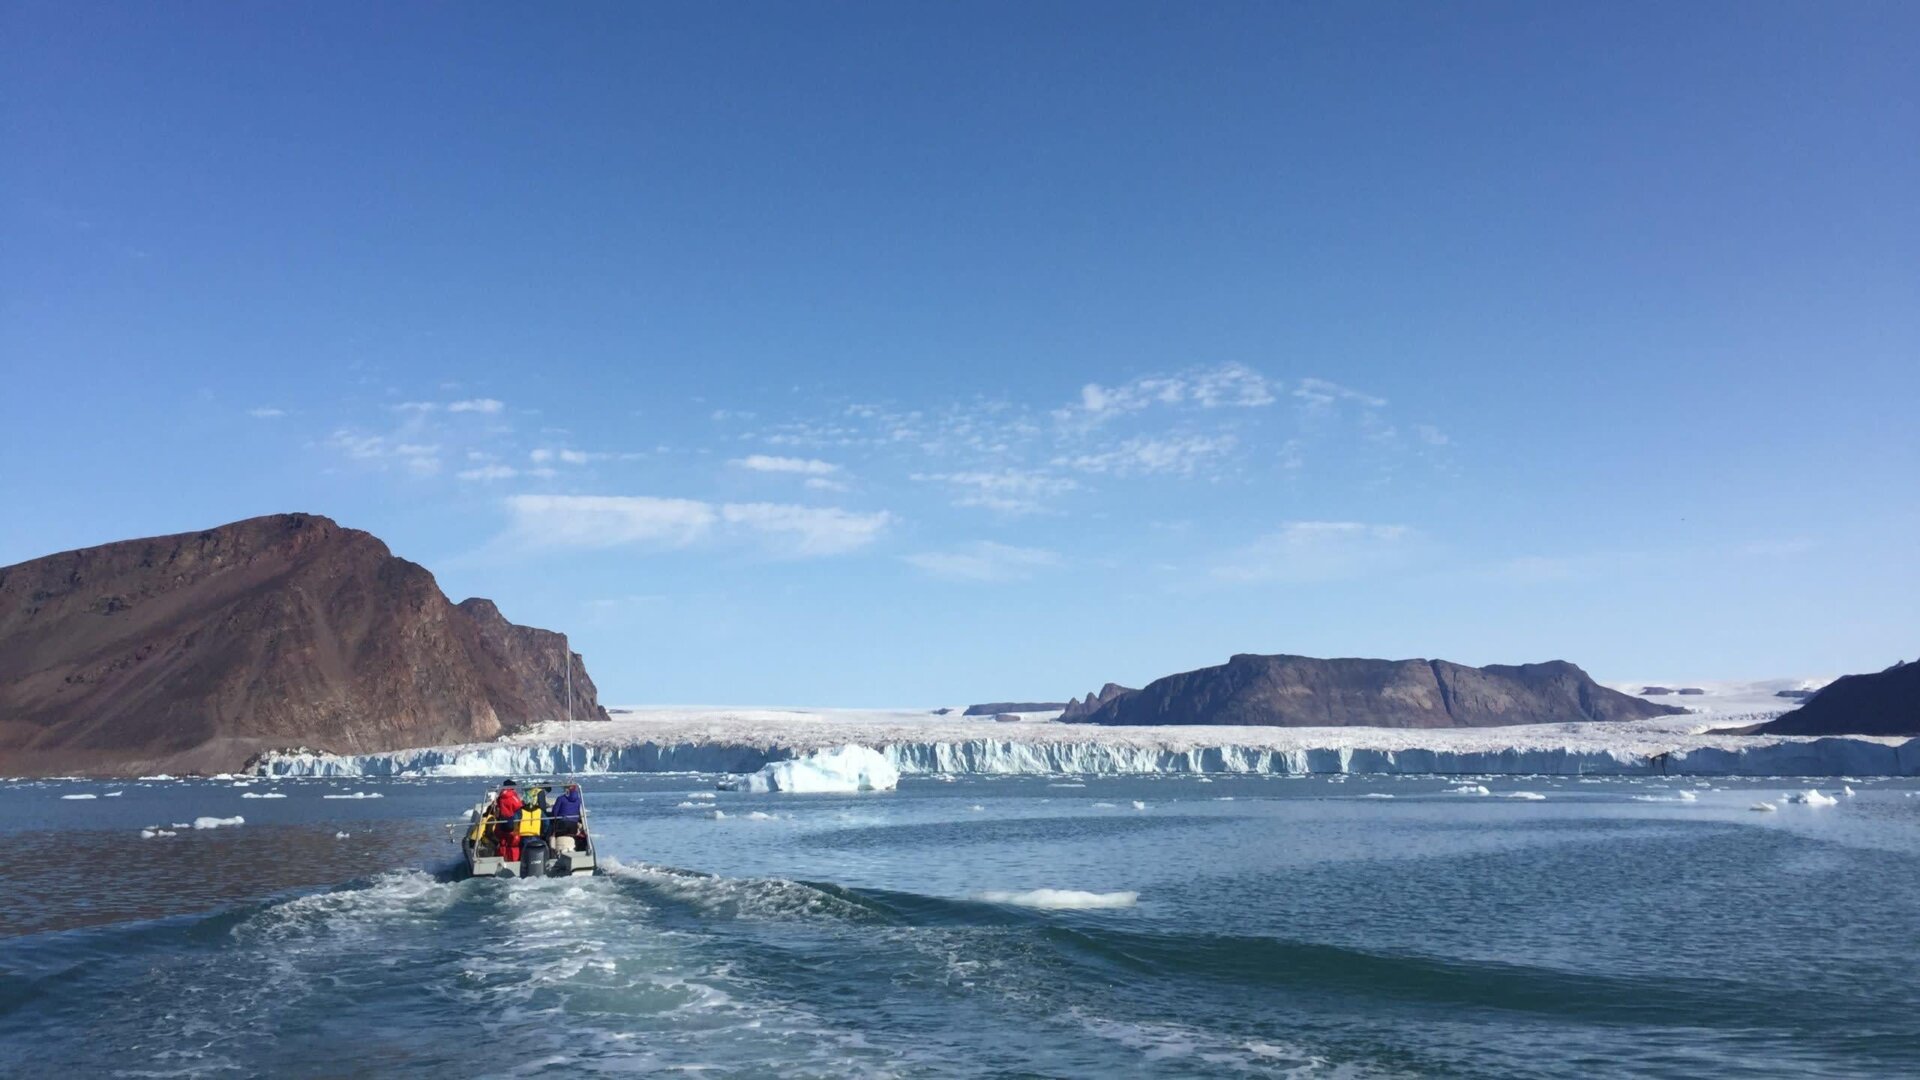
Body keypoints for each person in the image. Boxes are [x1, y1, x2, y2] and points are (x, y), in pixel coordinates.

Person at [492, 780, 523, 862]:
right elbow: (518, 806)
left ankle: (502, 859)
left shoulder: (501, 796)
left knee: (503, 842)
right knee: (513, 843)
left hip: (502, 822)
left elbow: (498, 808)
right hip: (512, 822)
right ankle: (513, 861)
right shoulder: (512, 795)